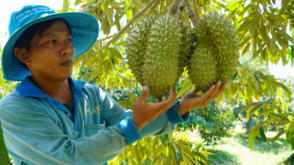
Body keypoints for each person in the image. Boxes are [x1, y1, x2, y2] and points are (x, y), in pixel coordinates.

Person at [0, 5, 227, 165]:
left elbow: (132, 124)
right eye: (52, 41)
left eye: (68, 40)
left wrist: (180, 109)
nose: (67, 49)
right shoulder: (13, 109)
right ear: (23, 55)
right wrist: (134, 123)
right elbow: (69, 159)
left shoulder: (92, 95)